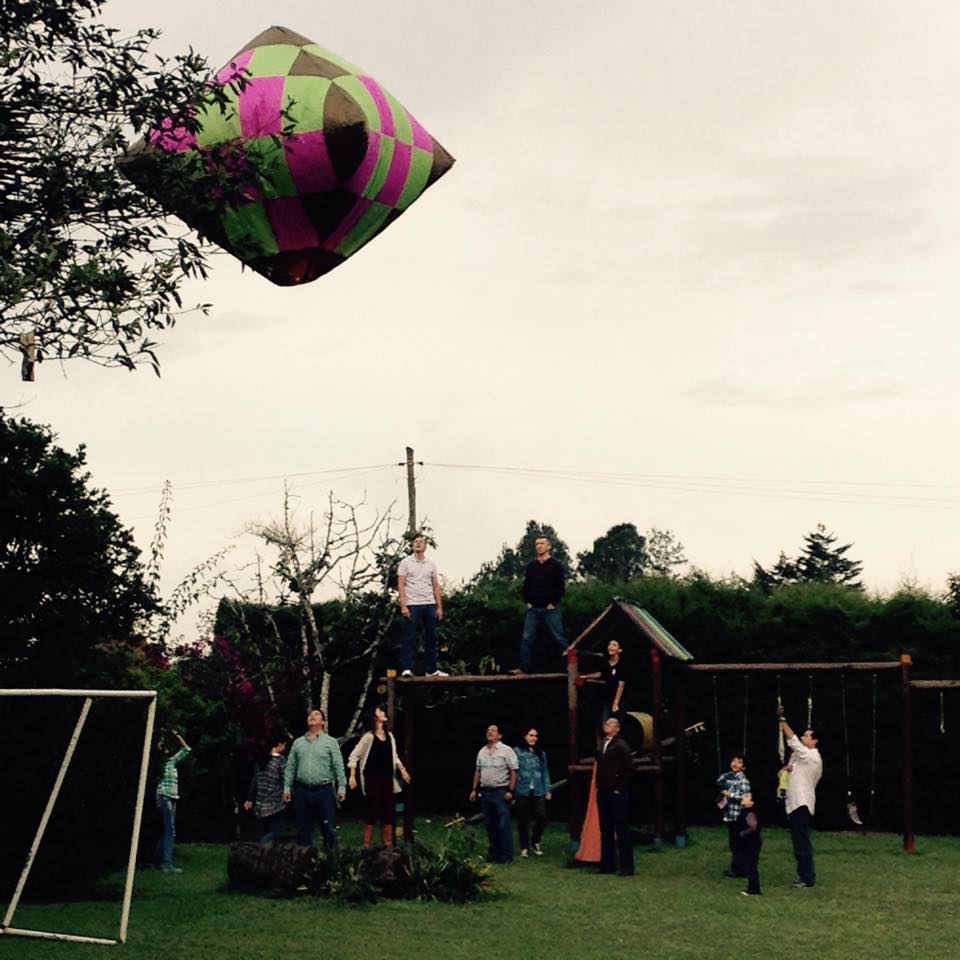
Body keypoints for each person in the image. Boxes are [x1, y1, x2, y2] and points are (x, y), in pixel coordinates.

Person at [347, 706, 411, 847]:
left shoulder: (390, 736)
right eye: (380, 712)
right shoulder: (368, 737)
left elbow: (393, 756)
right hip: (372, 778)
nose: (383, 712)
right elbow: (354, 756)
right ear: (374, 718)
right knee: (372, 809)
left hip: (387, 779)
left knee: (388, 811)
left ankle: (387, 845)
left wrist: (403, 770)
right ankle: (367, 845)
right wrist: (352, 776)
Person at [283, 708, 346, 850]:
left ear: (323, 722)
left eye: (316, 714)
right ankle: (304, 864)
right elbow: (290, 767)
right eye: (310, 714)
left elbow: (338, 766)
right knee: (303, 831)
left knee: (329, 829)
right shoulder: (298, 743)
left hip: (324, 791)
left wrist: (342, 787)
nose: (312, 716)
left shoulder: (330, 742)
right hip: (302, 791)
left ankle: (332, 863)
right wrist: (287, 788)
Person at [778, 706, 822, 888]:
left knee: (801, 842)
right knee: (798, 842)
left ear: (814, 742)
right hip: (794, 804)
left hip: (801, 805)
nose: (803, 738)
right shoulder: (800, 758)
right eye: (803, 735)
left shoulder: (812, 756)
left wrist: (782, 720)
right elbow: (788, 773)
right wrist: (785, 772)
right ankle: (805, 876)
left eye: (807, 736)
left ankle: (807, 878)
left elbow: (793, 741)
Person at [397, 534, 448, 677]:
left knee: (431, 637)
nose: (418, 544)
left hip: (429, 604)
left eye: (421, 542)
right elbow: (401, 585)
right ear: (412, 545)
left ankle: (431, 670)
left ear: (425, 546)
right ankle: (407, 668)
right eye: (415, 542)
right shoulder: (405, 562)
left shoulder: (431, 564)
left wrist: (439, 607)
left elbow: (435, 586)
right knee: (410, 637)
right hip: (412, 604)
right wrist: (404, 605)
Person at [515, 535, 567, 674]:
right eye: (537, 543)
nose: (539, 546)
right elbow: (526, 585)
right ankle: (524, 668)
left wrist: (553, 603)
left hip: (550, 609)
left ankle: (569, 667)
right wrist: (527, 602)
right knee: (527, 639)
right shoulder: (532, 566)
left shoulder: (556, 565)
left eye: (542, 543)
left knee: (559, 638)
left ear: (549, 546)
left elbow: (560, 587)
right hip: (533, 608)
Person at [469, 724, 518, 863]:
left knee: (503, 824)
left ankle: (506, 855)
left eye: (493, 730)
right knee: (490, 825)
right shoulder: (482, 752)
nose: (490, 732)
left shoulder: (506, 750)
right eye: (488, 730)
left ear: (500, 735)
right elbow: (478, 771)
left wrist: (510, 790)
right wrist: (474, 789)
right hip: (485, 792)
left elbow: (514, 771)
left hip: (501, 791)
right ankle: (494, 854)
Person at [595, 715, 634, 876]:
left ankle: (627, 866)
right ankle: (607, 865)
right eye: (606, 722)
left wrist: (620, 787)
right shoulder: (603, 743)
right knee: (605, 830)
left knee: (622, 829)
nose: (607, 725)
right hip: (603, 791)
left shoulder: (621, 745)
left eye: (610, 723)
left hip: (616, 793)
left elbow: (629, 768)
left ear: (617, 728)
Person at [156, 729, 190, 875]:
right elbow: (158, 748)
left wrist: (175, 734)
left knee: (169, 830)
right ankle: (166, 863)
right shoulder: (160, 764)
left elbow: (186, 749)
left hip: (173, 797)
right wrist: (162, 734)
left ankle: (163, 860)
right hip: (164, 796)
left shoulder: (172, 761)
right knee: (169, 829)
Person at [514, 727, 552, 858]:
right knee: (523, 819)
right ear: (525, 737)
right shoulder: (517, 752)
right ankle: (524, 847)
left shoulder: (541, 753)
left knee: (542, 817)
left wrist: (547, 789)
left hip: (538, 788)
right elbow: (512, 769)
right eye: (530, 735)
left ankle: (535, 841)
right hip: (522, 789)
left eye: (535, 736)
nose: (533, 738)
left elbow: (545, 772)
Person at [243, 736, 288, 843]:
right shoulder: (280, 760)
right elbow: (287, 778)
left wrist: (250, 799)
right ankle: (259, 846)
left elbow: (254, 781)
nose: (285, 748)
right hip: (276, 803)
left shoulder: (261, 761)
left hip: (261, 803)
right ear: (279, 744)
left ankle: (263, 853)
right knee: (275, 832)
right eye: (284, 745)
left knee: (267, 830)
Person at [716, 754, 751, 877]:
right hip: (731, 815)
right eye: (733, 761)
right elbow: (719, 781)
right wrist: (729, 773)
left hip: (739, 816)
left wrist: (730, 795)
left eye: (739, 762)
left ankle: (740, 869)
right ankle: (737, 867)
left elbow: (746, 797)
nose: (735, 764)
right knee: (734, 843)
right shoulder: (730, 778)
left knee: (738, 843)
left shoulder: (743, 780)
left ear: (744, 767)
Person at [579, 639, 627, 720]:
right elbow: (600, 674)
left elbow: (621, 685)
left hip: (619, 700)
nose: (610, 647)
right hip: (607, 698)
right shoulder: (606, 663)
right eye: (609, 644)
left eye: (614, 645)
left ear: (620, 650)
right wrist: (586, 676)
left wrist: (616, 703)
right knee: (605, 724)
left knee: (616, 725)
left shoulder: (622, 665)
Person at [734, 793, 762, 897]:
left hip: (752, 843)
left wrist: (743, 833)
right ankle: (753, 888)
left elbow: (753, 826)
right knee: (750, 866)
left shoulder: (749, 812)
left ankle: (754, 890)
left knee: (751, 866)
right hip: (750, 843)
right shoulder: (747, 811)